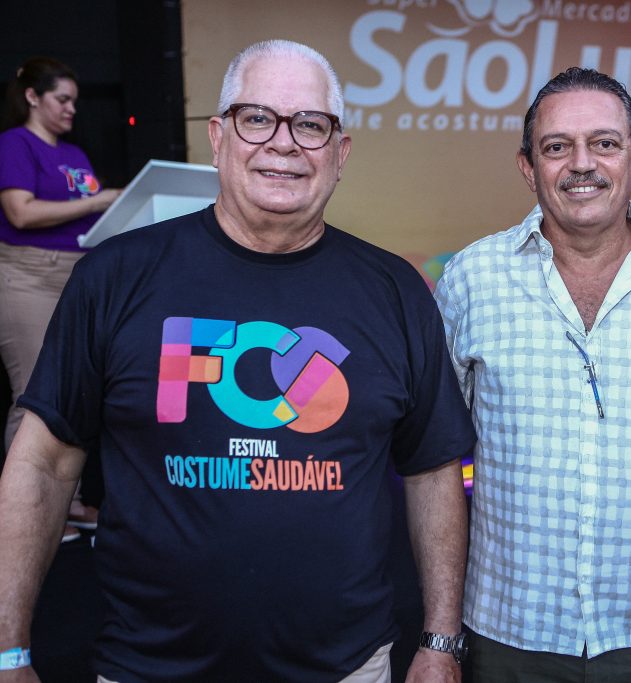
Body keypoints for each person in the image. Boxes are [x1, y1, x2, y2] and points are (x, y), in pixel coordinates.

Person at [0, 40, 475, 682]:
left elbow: (432, 471)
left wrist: (441, 642)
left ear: (340, 152)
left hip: (345, 669)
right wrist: (8, 650)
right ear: (218, 138)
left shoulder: (394, 292)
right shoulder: (114, 276)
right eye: (257, 118)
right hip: (146, 669)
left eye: (310, 124)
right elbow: (43, 463)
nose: (284, 143)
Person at [433, 67, 631, 682]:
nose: (582, 164)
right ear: (528, 167)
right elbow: (435, 450)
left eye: (604, 143)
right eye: (557, 147)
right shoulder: (471, 279)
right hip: (509, 632)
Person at [0, 57, 121, 542]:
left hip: (79, 276)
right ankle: (27, 517)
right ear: (33, 97)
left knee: (80, 393)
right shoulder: (15, 144)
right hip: (29, 275)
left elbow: (90, 219)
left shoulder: (74, 154)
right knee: (35, 395)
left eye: (75, 101)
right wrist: (99, 200)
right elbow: (21, 213)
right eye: (62, 99)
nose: (72, 109)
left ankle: (67, 505)